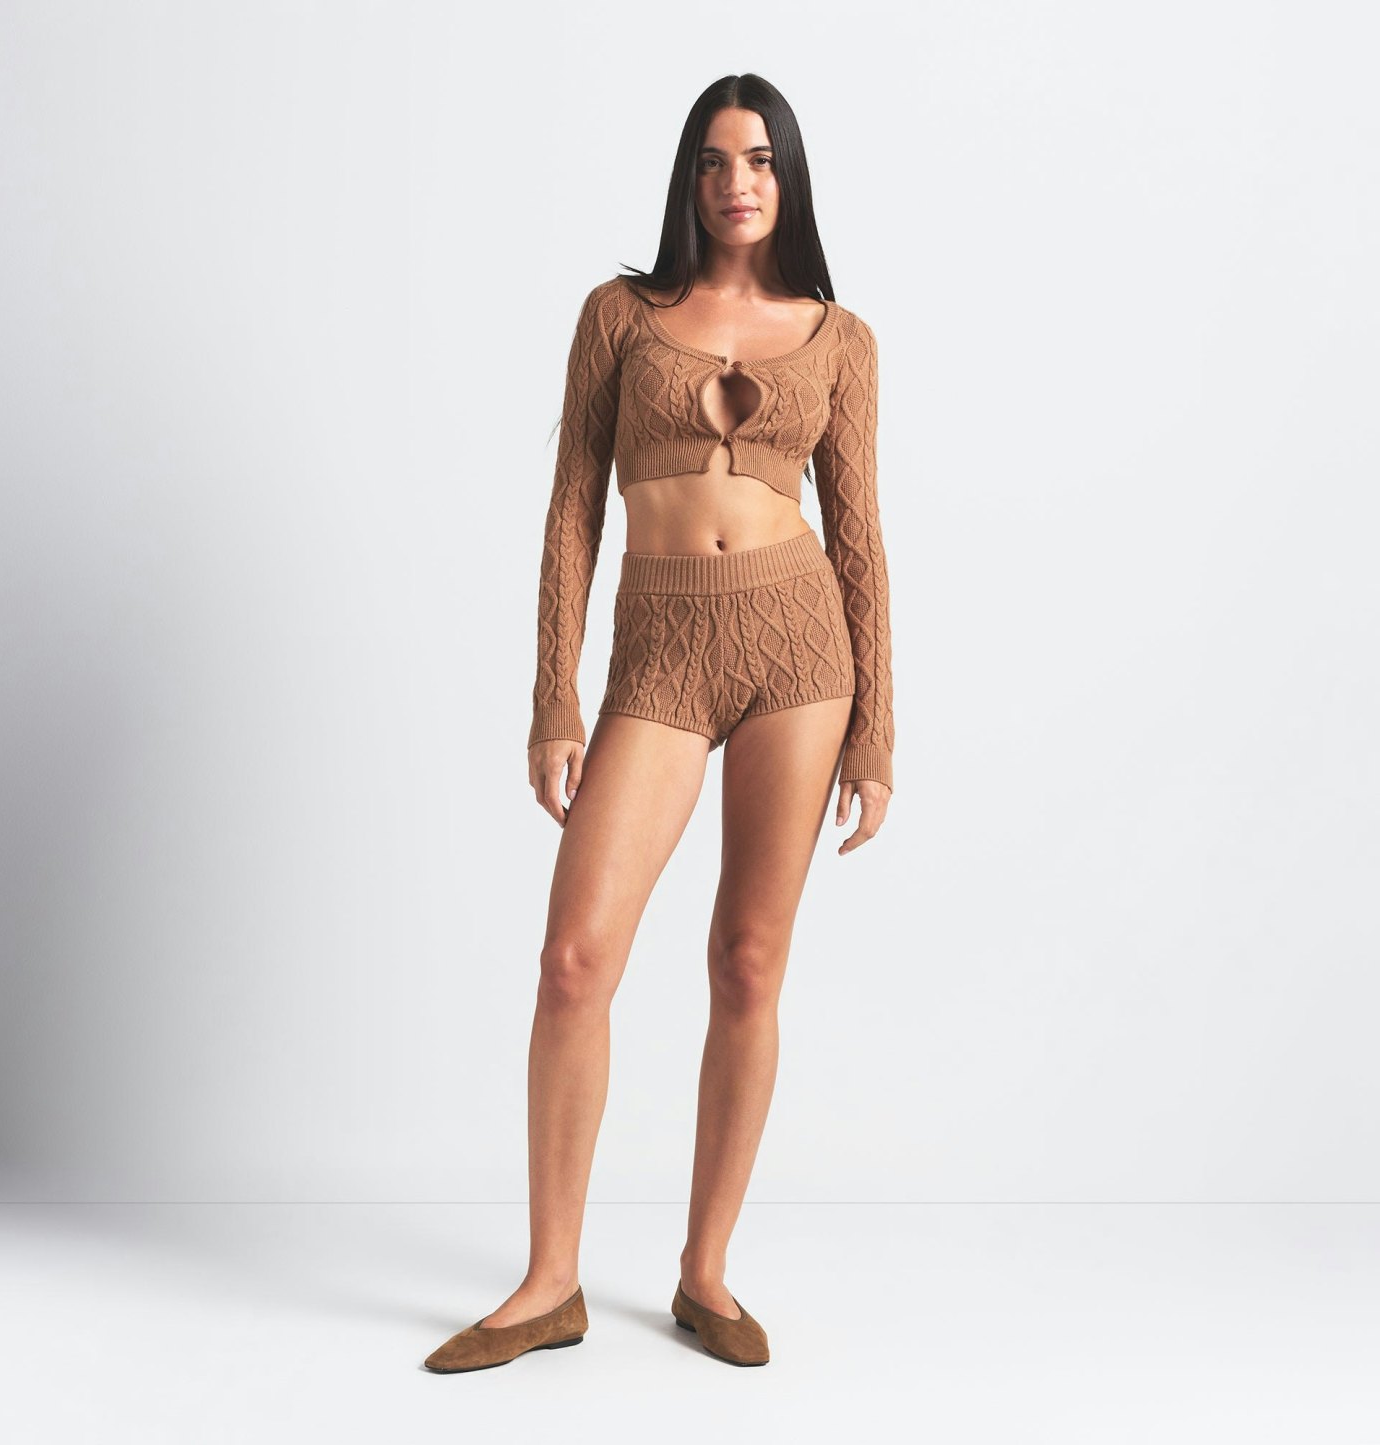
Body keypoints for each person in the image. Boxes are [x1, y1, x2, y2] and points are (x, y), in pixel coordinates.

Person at [424, 73, 893, 1374]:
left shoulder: (840, 337)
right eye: (714, 160)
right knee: (576, 958)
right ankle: (549, 1283)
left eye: (761, 159)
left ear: (788, 179)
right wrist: (553, 697)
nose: (738, 181)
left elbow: (859, 537)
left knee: (747, 961)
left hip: (800, 652)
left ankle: (704, 1272)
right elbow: (572, 508)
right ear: (689, 179)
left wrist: (878, 732)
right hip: (662, 657)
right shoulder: (620, 316)